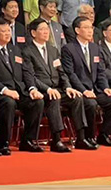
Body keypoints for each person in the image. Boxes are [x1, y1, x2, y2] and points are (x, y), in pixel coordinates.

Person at [0, 17, 45, 154]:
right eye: (3, 31)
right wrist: (5, 90)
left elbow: (26, 71)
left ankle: (28, 140)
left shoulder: (14, 49)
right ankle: (4, 143)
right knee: (8, 103)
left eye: (9, 31)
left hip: (19, 90)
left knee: (37, 102)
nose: (7, 34)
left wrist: (32, 88)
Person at [22, 18, 86, 153]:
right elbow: (30, 76)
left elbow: (61, 72)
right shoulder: (27, 51)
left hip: (57, 88)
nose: (46, 32)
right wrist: (48, 89)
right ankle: (56, 140)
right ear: (33, 33)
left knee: (76, 98)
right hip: (42, 91)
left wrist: (68, 87)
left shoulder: (53, 50)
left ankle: (81, 138)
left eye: (47, 29)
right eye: (42, 29)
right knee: (54, 98)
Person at [61, 16, 111, 148]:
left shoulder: (95, 48)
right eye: (86, 28)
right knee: (90, 104)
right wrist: (84, 91)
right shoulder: (68, 48)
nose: (90, 31)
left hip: (95, 89)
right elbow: (70, 74)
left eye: (91, 27)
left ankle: (105, 135)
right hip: (79, 90)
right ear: (77, 30)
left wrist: (105, 87)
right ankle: (88, 137)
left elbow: (100, 71)